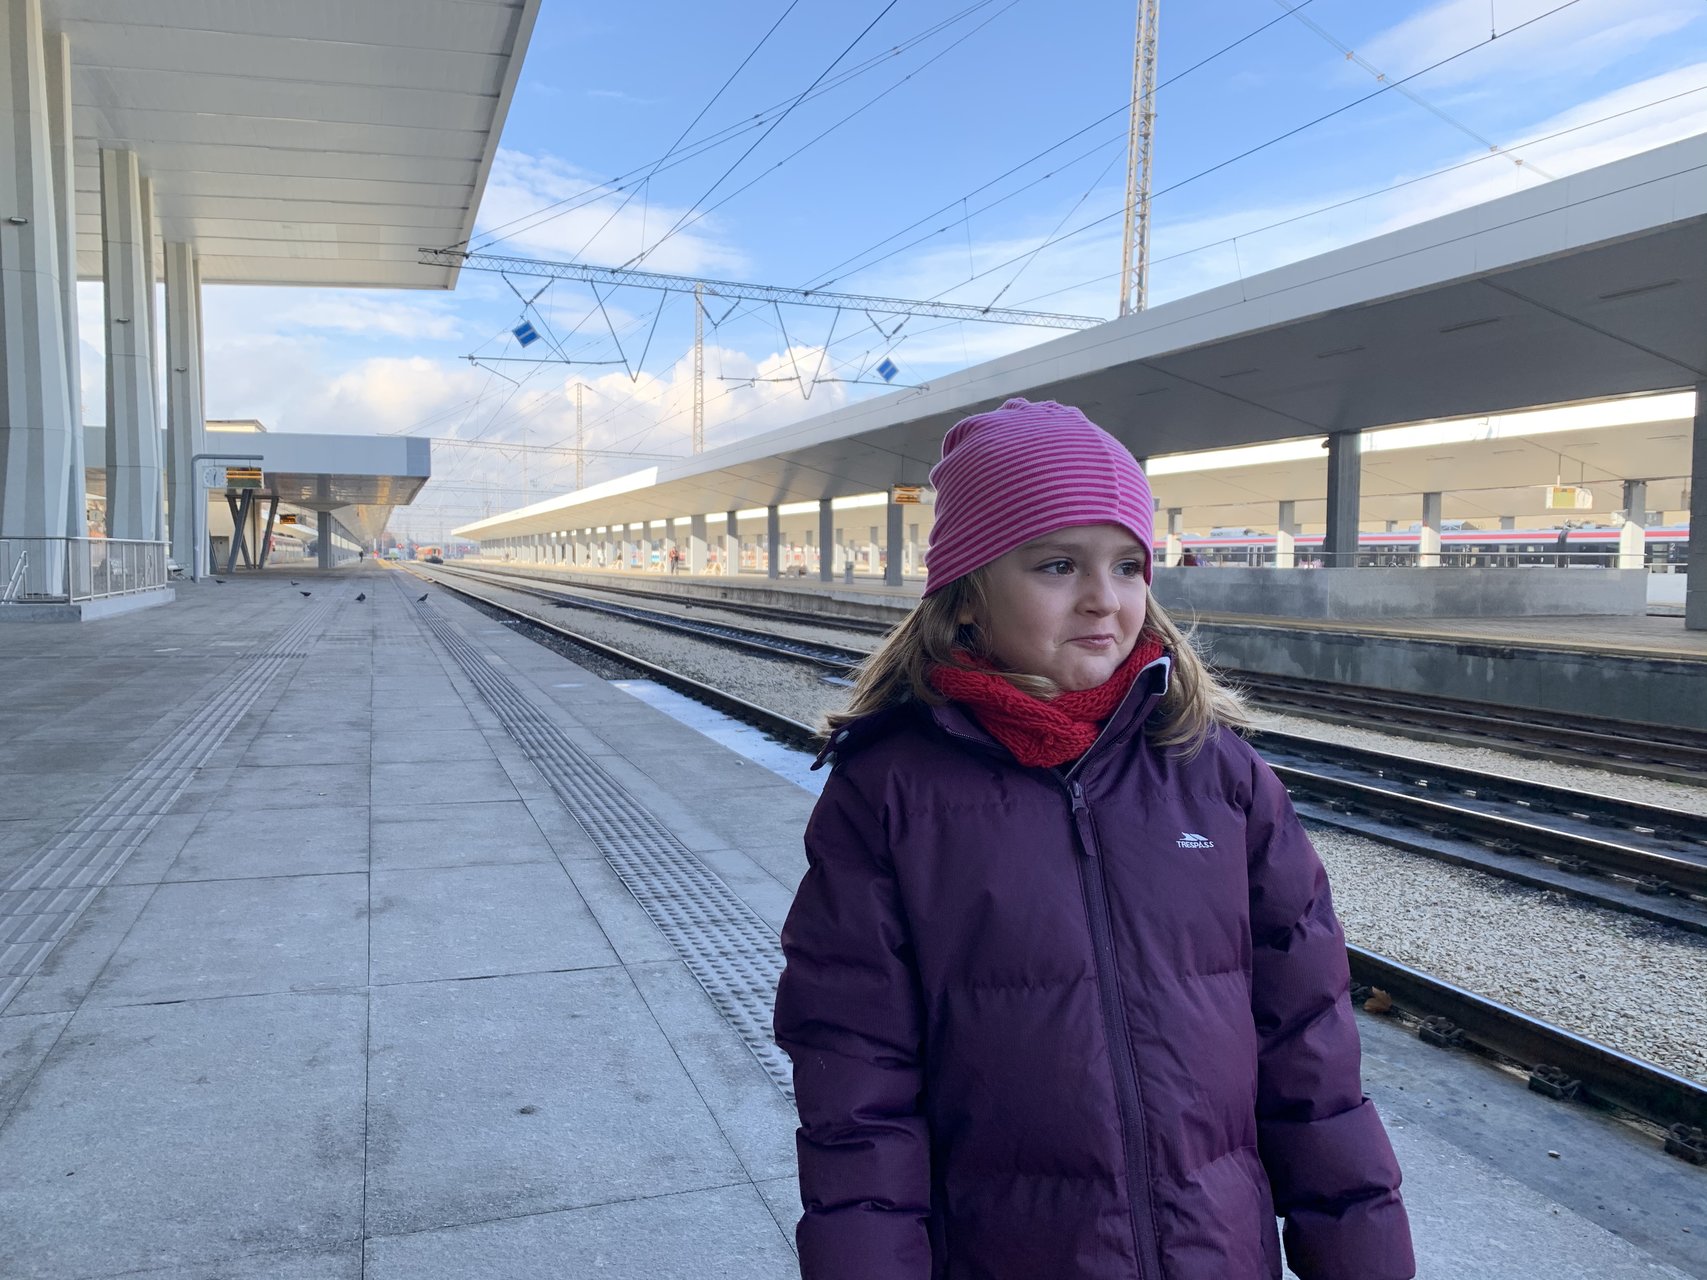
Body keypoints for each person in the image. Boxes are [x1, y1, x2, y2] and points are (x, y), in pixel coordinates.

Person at [774, 398, 1413, 1280]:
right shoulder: (889, 795)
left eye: (1127, 565)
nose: (1103, 600)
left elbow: (1308, 1046)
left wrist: (1362, 1257)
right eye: (1056, 564)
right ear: (966, 596)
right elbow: (857, 1086)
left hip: (1214, 1253)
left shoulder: (1216, 775)